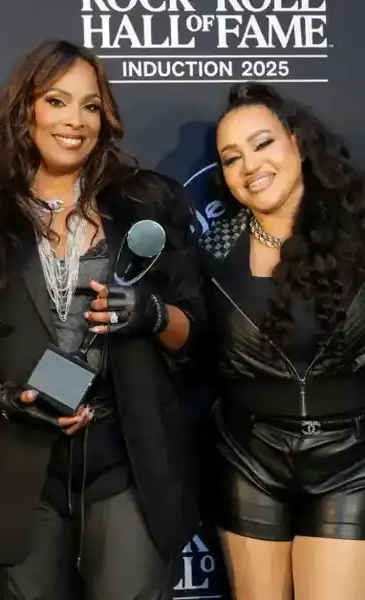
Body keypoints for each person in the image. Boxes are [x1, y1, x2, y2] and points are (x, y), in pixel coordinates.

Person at [0, 39, 204, 600]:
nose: (74, 121)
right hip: (13, 465)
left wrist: (149, 314)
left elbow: (195, 331)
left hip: (128, 460)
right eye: (57, 101)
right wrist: (7, 399)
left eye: (90, 105)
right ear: (26, 109)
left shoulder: (144, 205)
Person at [198, 82, 365, 600]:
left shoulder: (358, 230)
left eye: (263, 143)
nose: (249, 165)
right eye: (231, 158)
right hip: (248, 460)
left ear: (296, 141)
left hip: (350, 461)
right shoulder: (212, 245)